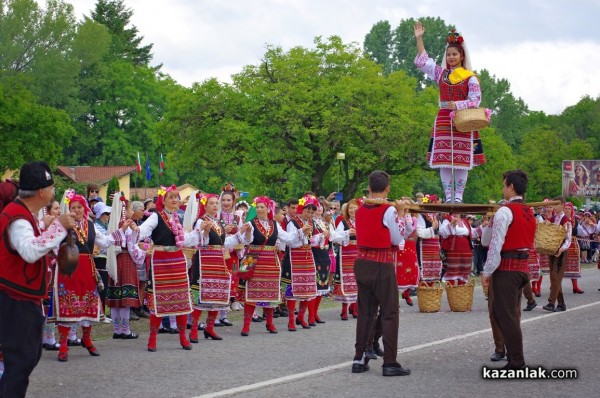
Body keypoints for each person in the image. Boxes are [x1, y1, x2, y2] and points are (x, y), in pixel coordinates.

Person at [0, 162, 75, 397]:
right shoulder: (18, 217)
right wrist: (59, 229)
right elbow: (29, 251)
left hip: (22, 296)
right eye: (52, 187)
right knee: (20, 361)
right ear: (42, 192)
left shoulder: (23, 213)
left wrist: (47, 229)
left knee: (27, 357)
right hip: (15, 297)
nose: (54, 192)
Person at [54, 193, 133, 362]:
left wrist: (122, 230)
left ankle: (87, 339)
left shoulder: (90, 225)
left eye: (79, 207)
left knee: (88, 304)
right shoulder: (63, 224)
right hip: (69, 268)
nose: (76, 210)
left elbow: (104, 242)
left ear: (85, 209)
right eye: (73, 208)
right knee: (68, 305)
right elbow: (53, 245)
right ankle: (63, 344)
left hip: (87, 268)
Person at [414, 21, 485, 203]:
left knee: (462, 159)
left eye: (454, 54)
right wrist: (419, 38)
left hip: (463, 119)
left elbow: (476, 100)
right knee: (444, 159)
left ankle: (459, 196)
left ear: (461, 56)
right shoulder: (441, 74)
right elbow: (423, 62)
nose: (451, 57)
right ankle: (448, 196)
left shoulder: (470, 77)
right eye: (449, 54)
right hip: (444, 119)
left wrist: (459, 105)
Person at [352, 170, 410, 377]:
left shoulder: (359, 210)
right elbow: (396, 239)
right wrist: (402, 214)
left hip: (361, 262)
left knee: (366, 311)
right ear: (387, 189)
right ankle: (390, 361)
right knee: (389, 312)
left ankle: (359, 357)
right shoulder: (388, 210)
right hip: (381, 265)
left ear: (369, 187)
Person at [136, 185, 204, 352]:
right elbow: (144, 230)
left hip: (177, 260)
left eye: (176, 197)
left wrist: (198, 232)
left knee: (181, 299)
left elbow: (183, 240)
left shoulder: (176, 218)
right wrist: (136, 229)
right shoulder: (155, 217)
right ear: (163, 200)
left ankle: (182, 337)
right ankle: (152, 339)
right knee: (159, 300)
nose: (175, 200)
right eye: (171, 197)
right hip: (161, 261)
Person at [481, 170, 536, 370]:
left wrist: (487, 272)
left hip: (507, 268)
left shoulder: (505, 211)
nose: (503, 189)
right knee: (508, 313)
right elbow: (487, 239)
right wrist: (490, 222)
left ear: (511, 186)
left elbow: (494, 245)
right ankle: (515, 357)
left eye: (504, 185)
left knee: (505, 315)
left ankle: (517, 361)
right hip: (522, 268)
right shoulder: (529, 211)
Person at [330, 198, 360, 320]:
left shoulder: (362, 221)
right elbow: (336, 237)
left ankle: (355, 307)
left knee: (358, 281)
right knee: (347, 281)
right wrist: (347, 233)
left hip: (359, 253)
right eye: (351, 208)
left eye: (355, 208)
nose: (353, 210)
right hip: (346, 254)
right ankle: (344, 310)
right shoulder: (344, 222)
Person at [542, 197, 572, 312]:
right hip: (552, 250)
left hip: (561, 251)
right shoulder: (552, 219)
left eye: (556, 204)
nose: (554, 207)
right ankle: (561, 303)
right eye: (553, 204)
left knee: (555, 276)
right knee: (553, 277)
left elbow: (568, 239)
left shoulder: (566, 220)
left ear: (563, 205)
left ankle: (551, 302)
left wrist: (562, 249)